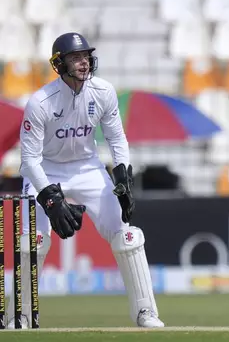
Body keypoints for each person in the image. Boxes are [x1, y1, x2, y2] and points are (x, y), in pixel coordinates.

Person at [8, 32, 164, 328]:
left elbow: (117, 137)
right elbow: (28, 161)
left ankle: (146, 312)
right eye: (75, 58)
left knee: (127, 235)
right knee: (34, 241)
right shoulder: (40, 102)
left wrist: (123, 175)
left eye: (85, 56)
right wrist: (51, 199)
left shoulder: (103, 91)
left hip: (88, 167)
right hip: (46, 169)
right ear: (59, 64)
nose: (83, 62)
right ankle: (21, 316)